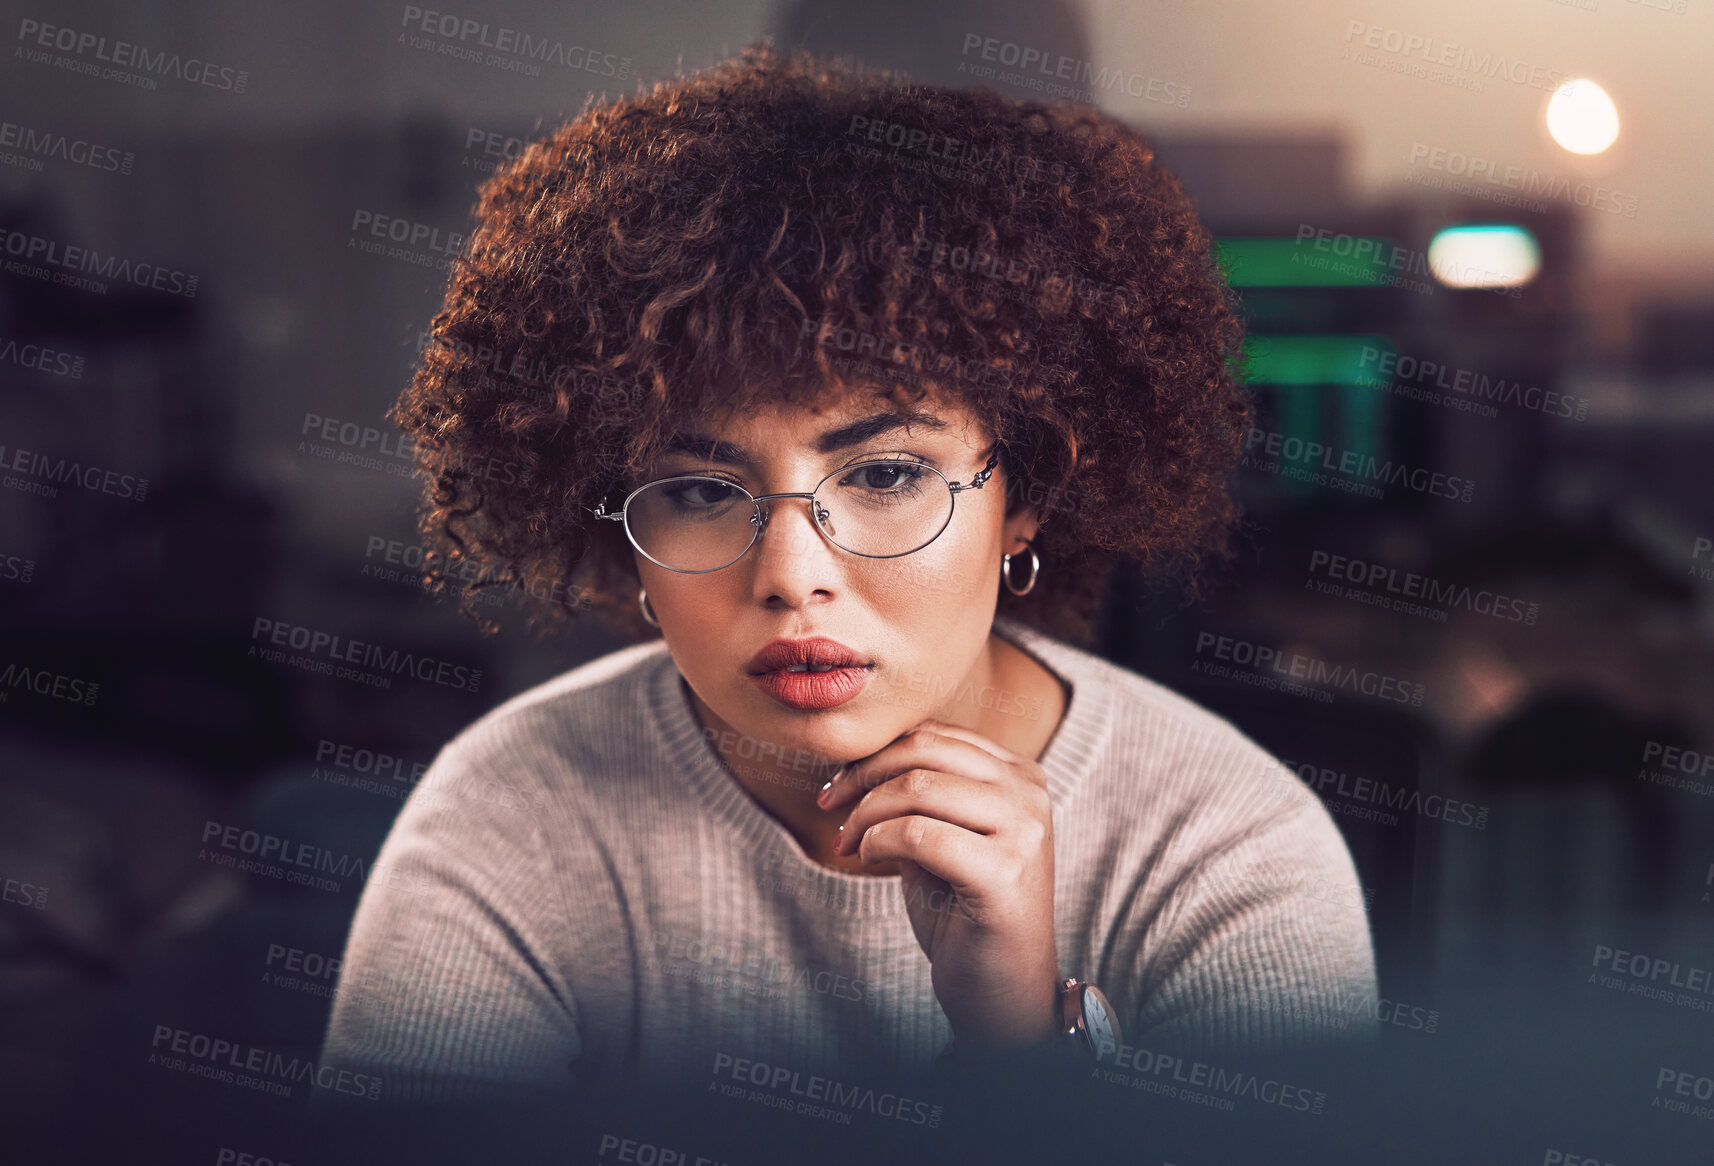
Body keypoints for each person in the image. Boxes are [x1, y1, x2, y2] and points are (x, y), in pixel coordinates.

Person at [315, 42, 1378, 1115]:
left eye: (883, 473)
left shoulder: (1225, 846)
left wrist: (1014, 1048)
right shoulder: (511, 808)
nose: (791, 575)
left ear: (1025, 496)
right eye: (696, 490)